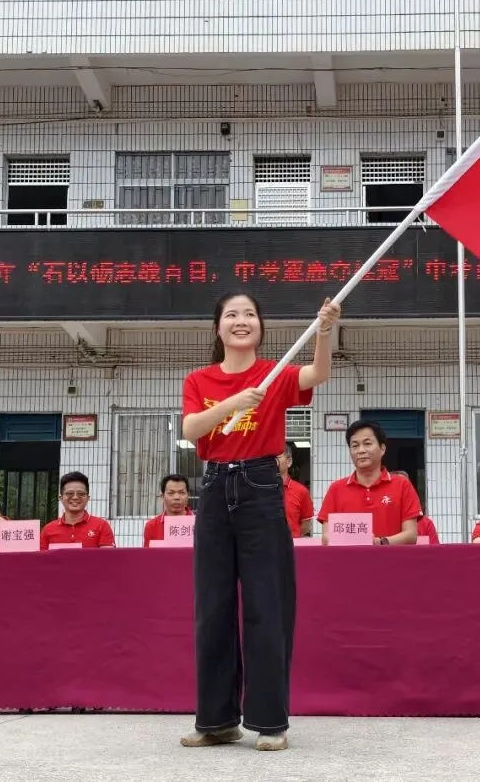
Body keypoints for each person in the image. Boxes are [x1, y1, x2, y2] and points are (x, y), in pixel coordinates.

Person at [179, 291, 339, 751]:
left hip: (263, 486)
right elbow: (191, 430)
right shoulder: (199, 379)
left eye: (250, 314)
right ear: (218, 328)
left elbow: (319, 374)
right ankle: (216, 720)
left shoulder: (276, 373)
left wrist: (324, 330)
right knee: (212, 607)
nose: (241, 320)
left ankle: (271, 722)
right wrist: (233, 404)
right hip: (213, 489)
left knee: (267, 606)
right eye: (232, 314)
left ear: (260, 327)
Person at [317, 421, 421, 546]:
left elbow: (411, 535)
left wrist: (380, 543)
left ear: (382, 449)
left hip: (392, 562)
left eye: (367, 444)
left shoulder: (402, 485)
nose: (361, 450)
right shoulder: (336, 489)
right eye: (355, 446)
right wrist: (358, 541)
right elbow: (326, 537)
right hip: (348, 563)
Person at [40, 472, 115, 549]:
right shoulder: (48, 529)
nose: (75, 497)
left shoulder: (101, 526)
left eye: (81, 494)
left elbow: (108, 558)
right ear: (61, 498)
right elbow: (41, 559)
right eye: (69, 493)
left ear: (88, 498)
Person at [277, 442, 314, 538]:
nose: (274, 461)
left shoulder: (301, 491)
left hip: (293, 547)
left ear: (289, 462)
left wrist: (292, 536)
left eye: (278, 456)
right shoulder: (259, 490)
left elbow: (306, 524)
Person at [143, 474, 193, 547]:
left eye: (181, 493)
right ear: (162, 496)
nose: (176, 497)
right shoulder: (151, 526)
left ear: (188, 495)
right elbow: (147, 556)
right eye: (171, 493)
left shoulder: (201, 524)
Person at [392, 470, 438, 543]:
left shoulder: (426, 523)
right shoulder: (382, 521)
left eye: (406, 486)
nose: (403, 491)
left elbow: (435, 551)